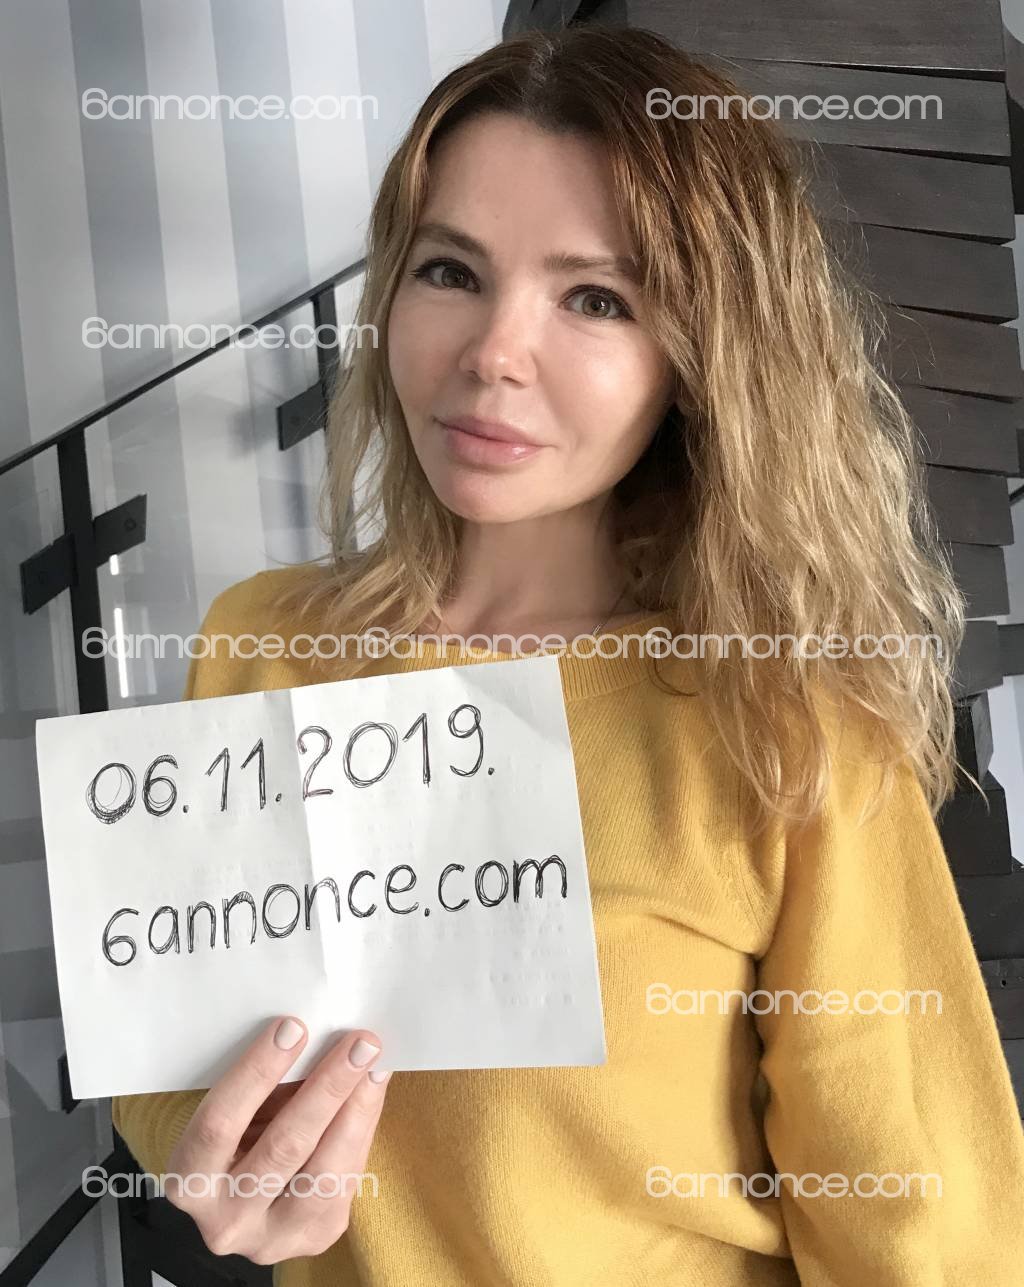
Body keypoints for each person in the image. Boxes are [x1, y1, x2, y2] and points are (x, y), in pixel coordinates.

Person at [111, 23, 1024, 1286]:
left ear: (695, 358)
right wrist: (211, 1158)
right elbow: (171, 1044)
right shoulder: (258, 644)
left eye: (595, 298)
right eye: (450, 270)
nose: (493, 352)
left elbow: (919, 1229)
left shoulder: (784, 722)